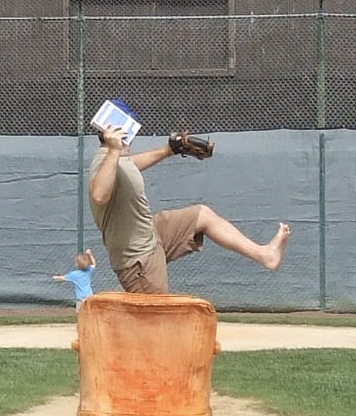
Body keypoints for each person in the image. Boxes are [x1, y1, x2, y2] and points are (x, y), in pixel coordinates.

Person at [87, 120, 289, 294]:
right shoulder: (108, 158)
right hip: (138, 260)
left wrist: (168, 150)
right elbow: (99, 194)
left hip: (150, 234)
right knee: (158, 326)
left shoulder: (116, 159)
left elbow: (129, 165)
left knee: (203, 215)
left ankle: (264, 255)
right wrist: (114, 149)